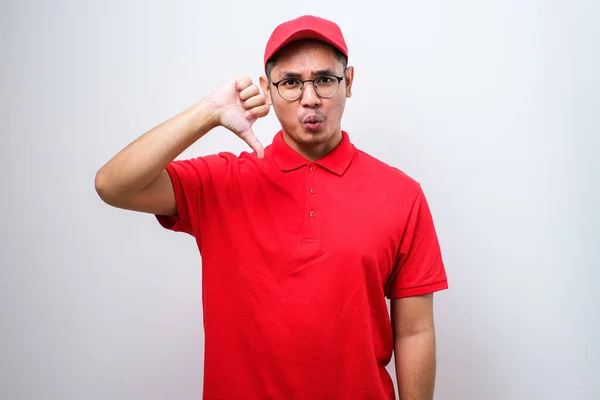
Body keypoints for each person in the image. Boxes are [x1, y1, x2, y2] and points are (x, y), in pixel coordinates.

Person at [95, 14, 448, 400]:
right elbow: (113, 185)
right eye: (291, 83)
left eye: (325, 80)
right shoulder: (222, 182)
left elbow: (414, 331)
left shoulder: (401, 194)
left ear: (348, 83)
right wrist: (210, 112)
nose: (309, 98)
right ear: (267, 89)